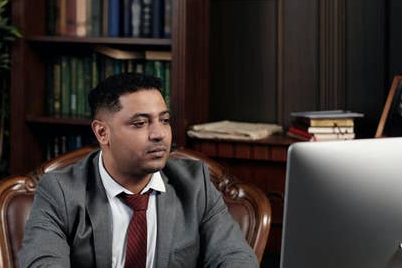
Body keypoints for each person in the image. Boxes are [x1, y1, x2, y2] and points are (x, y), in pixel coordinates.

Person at [19, 73, 257, 267]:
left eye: (164, 120)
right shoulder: (60, 190)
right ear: (102, 132)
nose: (159, 134)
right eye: (140, 123)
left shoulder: (196, 185)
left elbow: (236, 259)